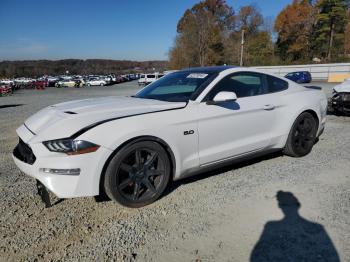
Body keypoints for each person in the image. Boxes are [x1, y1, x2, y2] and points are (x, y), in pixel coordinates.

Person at [250, 191, 340, 262]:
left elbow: (256, 255)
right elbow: (333, 256)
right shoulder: (317, 227)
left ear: (279, 206)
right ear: (298, 205)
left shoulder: (270, 226)